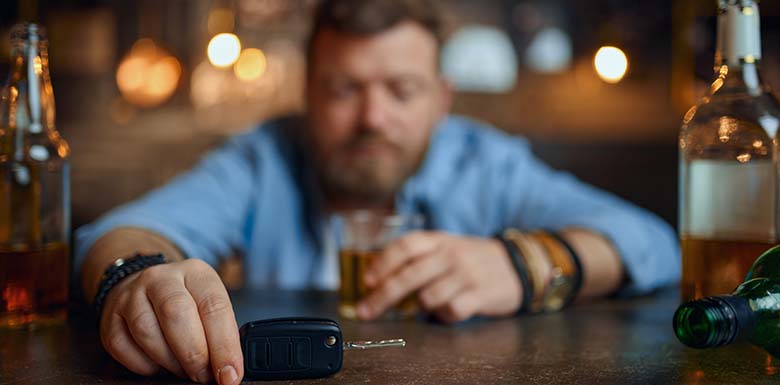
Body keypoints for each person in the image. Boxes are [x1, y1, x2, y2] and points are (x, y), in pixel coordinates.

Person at [75, 0, 679, 384]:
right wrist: (138, 275)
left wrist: (525, 263)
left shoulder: (485, 162)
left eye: (402, 89)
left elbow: (653, 242)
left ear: (441, 98)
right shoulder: (261, 160)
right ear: (308, 93)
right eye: (344, 89)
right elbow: (116, 236)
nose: (373, 118)